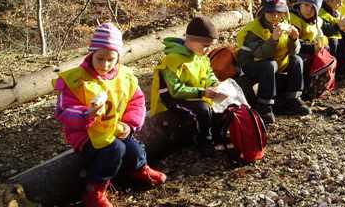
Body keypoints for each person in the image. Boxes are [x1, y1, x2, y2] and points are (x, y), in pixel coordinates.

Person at [54, 23, 166, 207]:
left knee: (134, 149)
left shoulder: (125, 76)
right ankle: (95, 189)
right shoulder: (76, 80)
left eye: (110, 59)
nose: (105, 65)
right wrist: (87, 113)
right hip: (86, 134)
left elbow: (136, 102)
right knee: (115, 149)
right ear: (91, 54)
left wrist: (129, 125)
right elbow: (63, 110)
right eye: (100, 59)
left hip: (115, 127)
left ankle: (138, 169)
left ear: (118, 58)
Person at [149, 16, 225, 157]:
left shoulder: (200, 55)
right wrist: (203, 92)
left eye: (210, 46)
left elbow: (208, 72)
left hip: (195, 93)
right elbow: (176, 90)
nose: (208, 50)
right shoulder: (172, 60)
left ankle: (217, 134)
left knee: (217, 105)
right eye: (205, 46)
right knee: (202, 110)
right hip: (171, 99)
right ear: (191, 40)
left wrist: (214, 83)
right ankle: (203, 141)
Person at [236, 0, 311, 125]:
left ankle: (293, 99)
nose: (275, 16)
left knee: (297, 60)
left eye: (279, 12)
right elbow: (260, 54)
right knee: (270, 65)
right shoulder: (253, 30)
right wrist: (273, 39)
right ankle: (264, 106)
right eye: (271, 12)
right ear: (263, 11)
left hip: (276, 60)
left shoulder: (285, 24)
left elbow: (294, 52)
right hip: (252, 64)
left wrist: (294, 39)